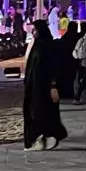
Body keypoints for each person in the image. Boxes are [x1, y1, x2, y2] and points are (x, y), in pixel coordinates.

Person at [22, 20, 68, 151]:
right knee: (34, 111)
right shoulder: (37, 45)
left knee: (40, 111)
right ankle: (40, 138)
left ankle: (43, 138)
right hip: (33, 86)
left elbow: (54, 68)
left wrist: (53, 86)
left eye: (35, 30)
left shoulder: (48, 46)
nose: (33, 32)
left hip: (44, 87)